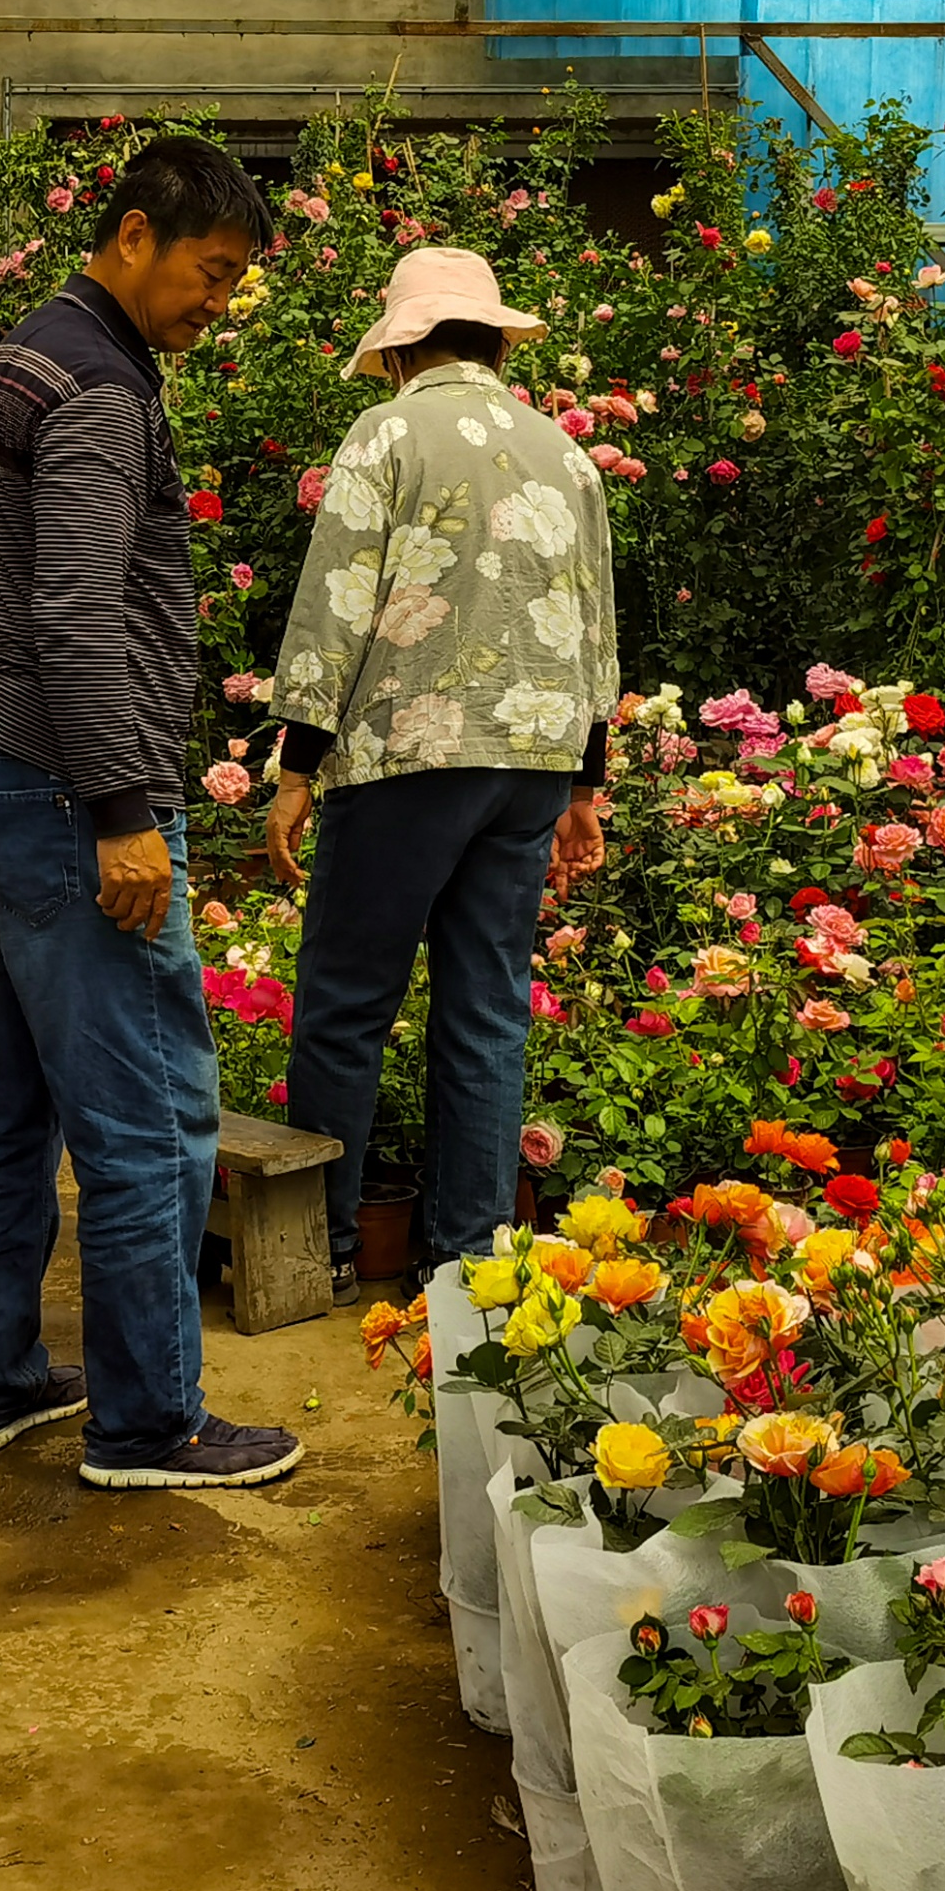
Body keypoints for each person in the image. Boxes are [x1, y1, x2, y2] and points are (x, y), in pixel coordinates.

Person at [0, 133, 302, 1491]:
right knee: (150, 1120)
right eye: (210, 271)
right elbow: (76, 611)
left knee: (10, 1109)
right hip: (57, 791)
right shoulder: (94, 379)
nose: (218, 301)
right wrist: (122, 808)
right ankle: (150, 1423)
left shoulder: (40, 346)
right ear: (133, 234)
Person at [264, 248, 620, 1295]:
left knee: (344, 1004)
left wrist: (296, 764)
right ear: (495, 342)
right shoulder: (565, 451)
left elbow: (334, 601)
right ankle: (465, 1262)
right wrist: (584, 786)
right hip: (532, 760)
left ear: (398, 349)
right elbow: (595, 626)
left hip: (405, 751)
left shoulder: (382, 435)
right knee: (486, 1008)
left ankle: (323, 1247)